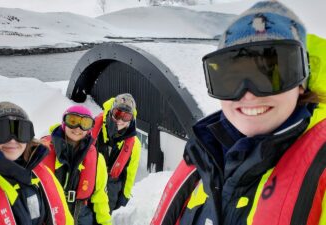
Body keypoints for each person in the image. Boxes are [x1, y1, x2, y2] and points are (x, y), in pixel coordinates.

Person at [151, 1, 326, 225]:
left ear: (301, 80)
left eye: (270, 75)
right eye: (232, 78)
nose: (249, 94)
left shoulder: (320, 168)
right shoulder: (204, 154)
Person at [40, 105, 111, 225]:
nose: (78, 128)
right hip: (50, 214)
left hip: (81, 216)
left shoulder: (97, 159)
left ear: (89, 128)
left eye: (85, 123)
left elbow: (100, 196)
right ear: (64, 122)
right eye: (72, 121)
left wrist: (105, 222)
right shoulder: (42, 151)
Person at [91, 93, 141, 212]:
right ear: (111, 112)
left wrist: (125, 196)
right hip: (91, 178)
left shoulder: (135, 145)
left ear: (131, 119)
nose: (120, 120)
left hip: (112, 186)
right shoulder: (93, 128)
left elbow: (130, 173)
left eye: (126, 117)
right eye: (117, 114)